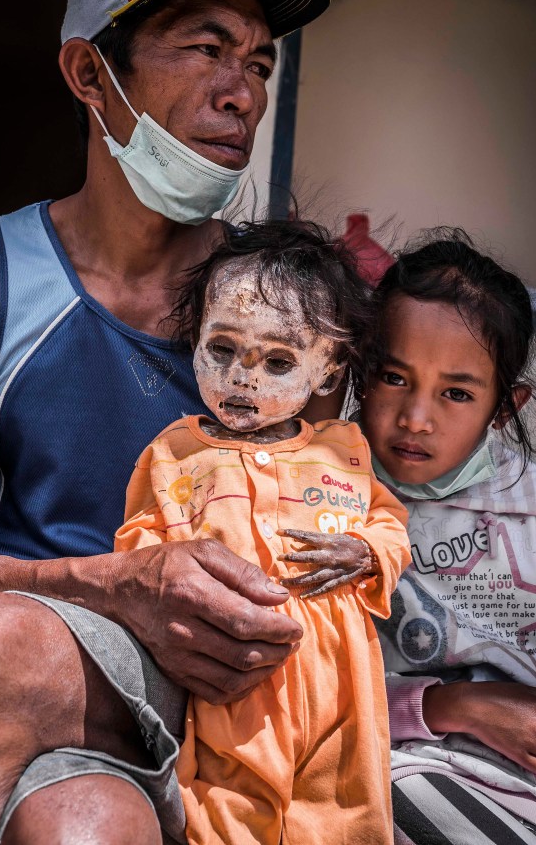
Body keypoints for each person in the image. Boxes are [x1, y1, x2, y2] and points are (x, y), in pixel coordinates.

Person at [0, 0, 335, 845]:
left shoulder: (288, 306)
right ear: (90, 74)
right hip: (42, 670)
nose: (241, 91)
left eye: (257, 63)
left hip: (243, 696)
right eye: (206, 48)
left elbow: (339, 523)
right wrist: (114, 585)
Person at [114, 219, 412, 844]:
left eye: (279, 361)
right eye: (221, 350)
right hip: (231, 683)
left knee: (343, 816)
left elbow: (390, 522)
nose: (243, 378)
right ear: (193, 342)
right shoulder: (173, 454)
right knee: (225, 813)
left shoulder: (344, 452)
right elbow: (140, 546)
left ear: (328, 372)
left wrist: (365, 550)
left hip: (342, 691)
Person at [359, 231, 536, 845]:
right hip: (371, 767)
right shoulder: (326, 496)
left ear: (504, 408)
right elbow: (307, 685)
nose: (416, 417)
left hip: (518, 794)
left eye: (456, 393)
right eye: (393, 377)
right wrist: (440, 708)